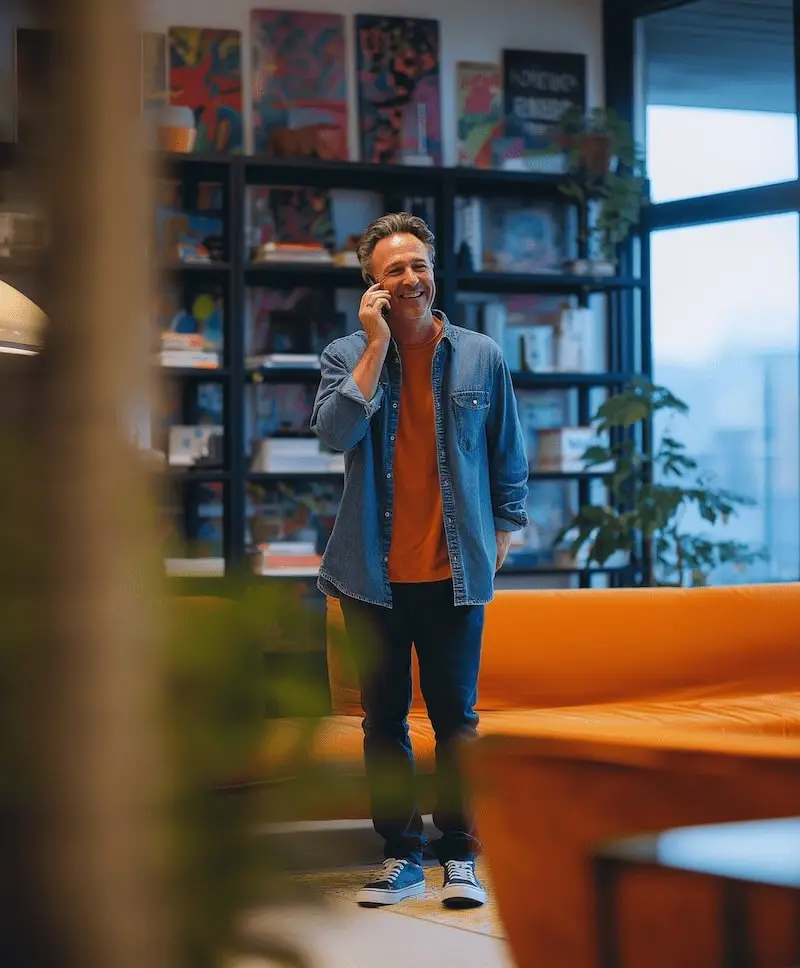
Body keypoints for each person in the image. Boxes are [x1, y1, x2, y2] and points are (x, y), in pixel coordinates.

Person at [310, 212, 529, 909]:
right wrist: (376, 346)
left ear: (432, 271)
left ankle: (460, 855)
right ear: (372, 286)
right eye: (393, 270)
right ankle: (399, 856)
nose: (409, 278)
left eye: (417, 265)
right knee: (383, 722)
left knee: (456, 720)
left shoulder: (481, 355)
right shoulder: (346, 354)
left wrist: (504, 527)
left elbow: (507, 454)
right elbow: (333, 433)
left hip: (453, 572)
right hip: (369, 575)